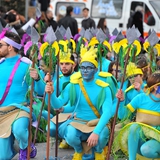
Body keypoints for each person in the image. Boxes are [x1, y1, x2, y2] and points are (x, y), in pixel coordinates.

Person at [45, 46, 113, 160]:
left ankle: (99, 152)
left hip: (96, 123)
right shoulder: (74, 85)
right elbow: (58, 105)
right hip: (78, 121)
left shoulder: (104, 88)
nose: (85, 70)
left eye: (89, 67)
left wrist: (96, 132)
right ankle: (79, 151)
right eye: (82, 67)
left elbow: (107, 112)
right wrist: (51, 94)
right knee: (70, 134)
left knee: (101, 137)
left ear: (95, 70)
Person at [0, 31, 36, 160]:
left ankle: (25, 146)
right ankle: (21, 144)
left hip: (20, 110)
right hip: (2, 113)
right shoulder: (0, 65)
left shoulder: (27, 65)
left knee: (19, 130)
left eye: (0, 45)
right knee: (3, 157)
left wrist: (37, 78)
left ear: (10, 47)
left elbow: (40, 89)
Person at [116, 71, 160, 160]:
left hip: (156, 141)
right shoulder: (141, 98)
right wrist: (121, 102)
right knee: (134, 126)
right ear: (156, 87)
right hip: (140, 139)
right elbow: (122, 115)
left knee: (146, 150)